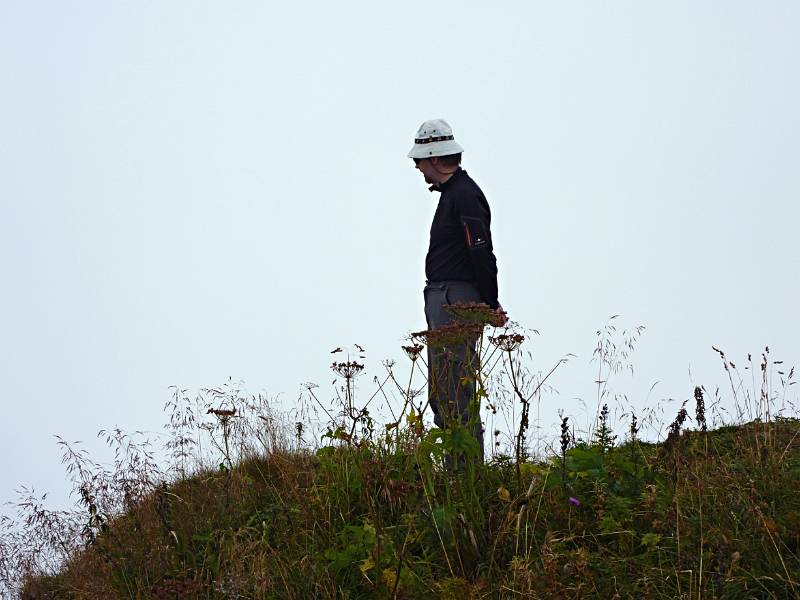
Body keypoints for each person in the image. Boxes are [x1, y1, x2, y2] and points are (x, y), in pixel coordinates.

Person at [408, 118, 505, 464]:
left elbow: (481, 251)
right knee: (446, 392)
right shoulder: (456, 194)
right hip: (447, 298)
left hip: (453, 300)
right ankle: (459, 475)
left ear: (434, 158)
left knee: (454, 393)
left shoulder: (464, 195)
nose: (418, 168)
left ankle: (466, 479)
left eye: (420, 160)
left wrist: (489, 304)